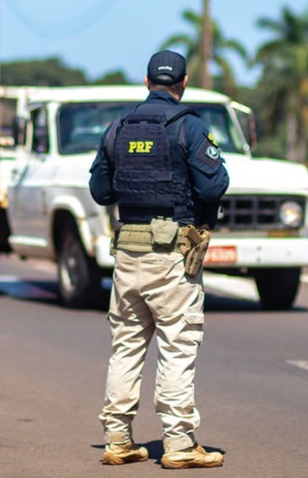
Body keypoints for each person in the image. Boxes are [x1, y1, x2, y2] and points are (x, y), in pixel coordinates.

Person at [89, 50, 229, 469]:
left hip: (127, 252)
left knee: (127, 345)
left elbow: (100, 191)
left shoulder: (117, 128)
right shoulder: (188, 127)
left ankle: (117, 439)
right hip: (171, 256)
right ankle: (180, 444)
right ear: (183, 84)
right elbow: (214, 185)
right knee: (177, 345)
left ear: (146, 82)